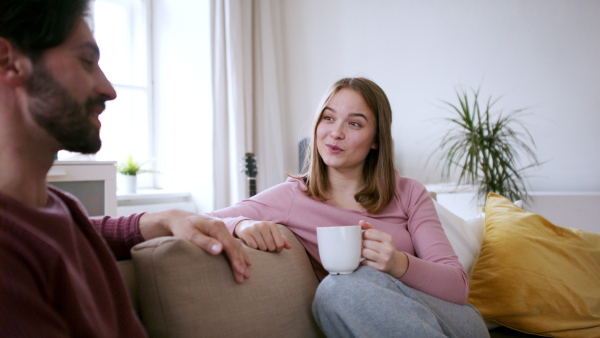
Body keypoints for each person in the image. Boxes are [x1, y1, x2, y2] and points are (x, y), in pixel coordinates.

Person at [0, 0, 250, 336]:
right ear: (8, 62)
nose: (110, 90)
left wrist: (162, 218)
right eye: (87, 61)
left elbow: (69, 233)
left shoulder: (62, 209)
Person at [206, 77, 490, 337]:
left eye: (354, 123)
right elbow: (204, 219)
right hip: (365, 317)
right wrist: (241, 224)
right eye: (328, 118)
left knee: (341, 288)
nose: (335, 133)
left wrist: (396, 263)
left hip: (453, 321)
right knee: (338, 289)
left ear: (377, 139)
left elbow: (457, 287)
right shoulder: (291, 197)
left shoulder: (409, 192)